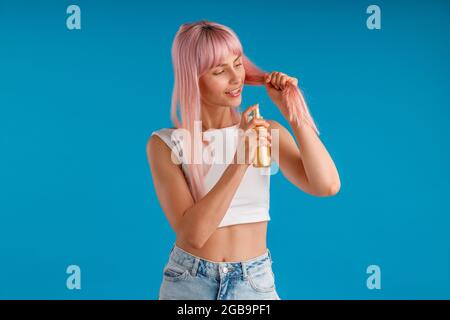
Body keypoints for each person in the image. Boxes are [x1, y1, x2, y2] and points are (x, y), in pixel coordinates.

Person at [146, 20, 340, 300]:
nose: (236, 78)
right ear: (193, 78)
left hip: (253, 281)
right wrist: (240, 160)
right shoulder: (165, 144)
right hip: (189, 283)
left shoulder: (267, 131)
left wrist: (293, 113)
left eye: (237, 64)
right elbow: (193, 236)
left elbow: (327, 186)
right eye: (219, 71)